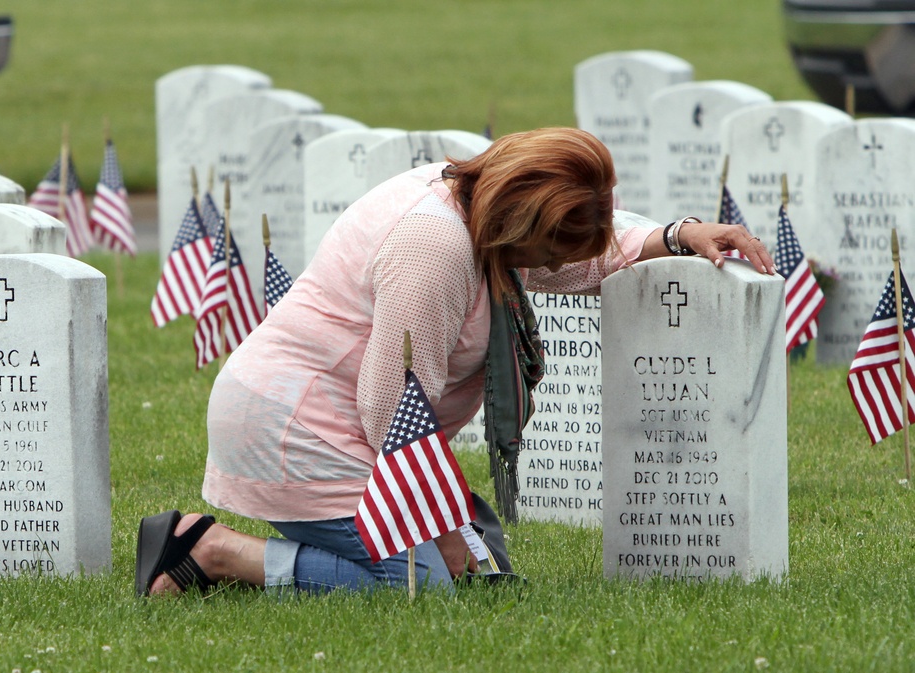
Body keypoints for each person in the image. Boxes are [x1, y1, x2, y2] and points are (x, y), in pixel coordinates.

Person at [135, 127, 774, 597]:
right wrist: (433, 529)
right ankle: (211, 550)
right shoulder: (434, 247)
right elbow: (388, 402)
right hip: (298, 429)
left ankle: (307, 556)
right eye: (545, 250)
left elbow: (571, 262)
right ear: (519, 223)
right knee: (427, 581)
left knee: (482, 563)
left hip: (334, 422)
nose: (549, 269)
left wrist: (676, 235)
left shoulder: (473, 198)